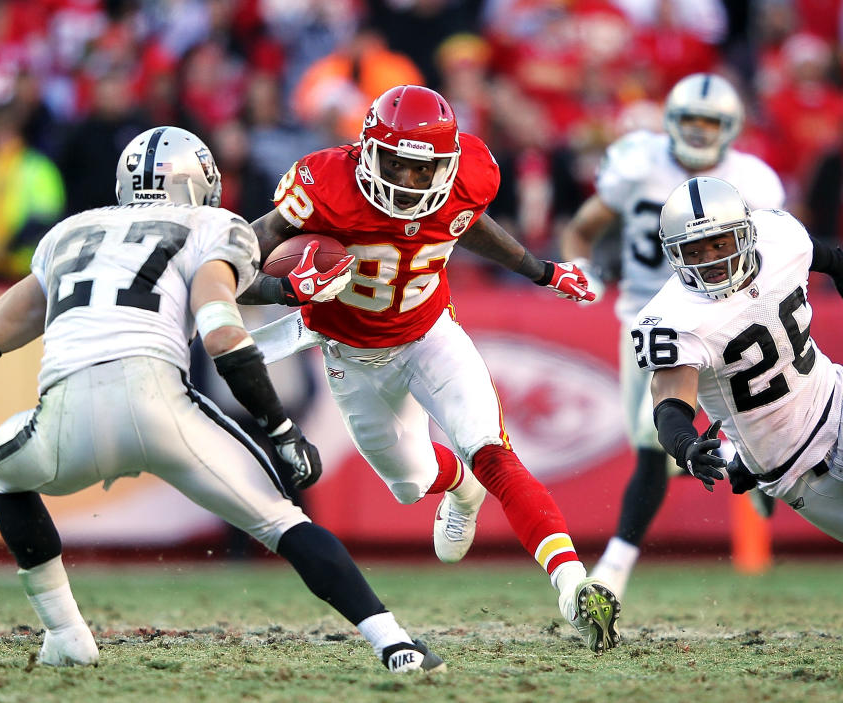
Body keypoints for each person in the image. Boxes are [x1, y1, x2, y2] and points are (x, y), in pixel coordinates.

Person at [0, 125, 445, 674]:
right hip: (161, 405)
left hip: (64, 413)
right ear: (197, 180)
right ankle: (394, 643)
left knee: (4, 470)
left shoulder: (68, 235)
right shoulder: (210, 224)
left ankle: (65, 633)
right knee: (283, 523)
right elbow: (222, 329)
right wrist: (279, 427)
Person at [238, 84, 622, 654]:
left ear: (447, 163)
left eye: (424, 169)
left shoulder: (471, 175)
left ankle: (572, 587)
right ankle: (457, 486)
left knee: (491, 448)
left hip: (429, 333)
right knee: (409, 483)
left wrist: (541, 270)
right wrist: (284, 288)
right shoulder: (323, 185)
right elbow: (239, 256)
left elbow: (470, 224)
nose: (408, 181)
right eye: (394, 162)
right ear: (367, 148)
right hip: (351, 353)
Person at [558, 73, 786, 599]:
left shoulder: (753, 180)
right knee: (663, 442)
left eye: (712, 122)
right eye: (691, 121)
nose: (700, 132)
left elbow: (776, 251)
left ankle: (614, 569)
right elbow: (581, 229)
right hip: (641, 315)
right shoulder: (638, 162)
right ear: (670, 122)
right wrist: (582, 269)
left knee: (650, 436)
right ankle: (744, 464)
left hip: (716, 314)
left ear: (730, 128)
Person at [634, 176, 843, 550]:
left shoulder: (780, 237)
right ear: (674, 254)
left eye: (719, 243)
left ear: (746, 232)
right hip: (796, 467)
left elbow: (834, 262)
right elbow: (669, 406)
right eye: (693, 251)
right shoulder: (673, 319)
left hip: (835, 398)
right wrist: (685, 447)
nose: (710, 259)